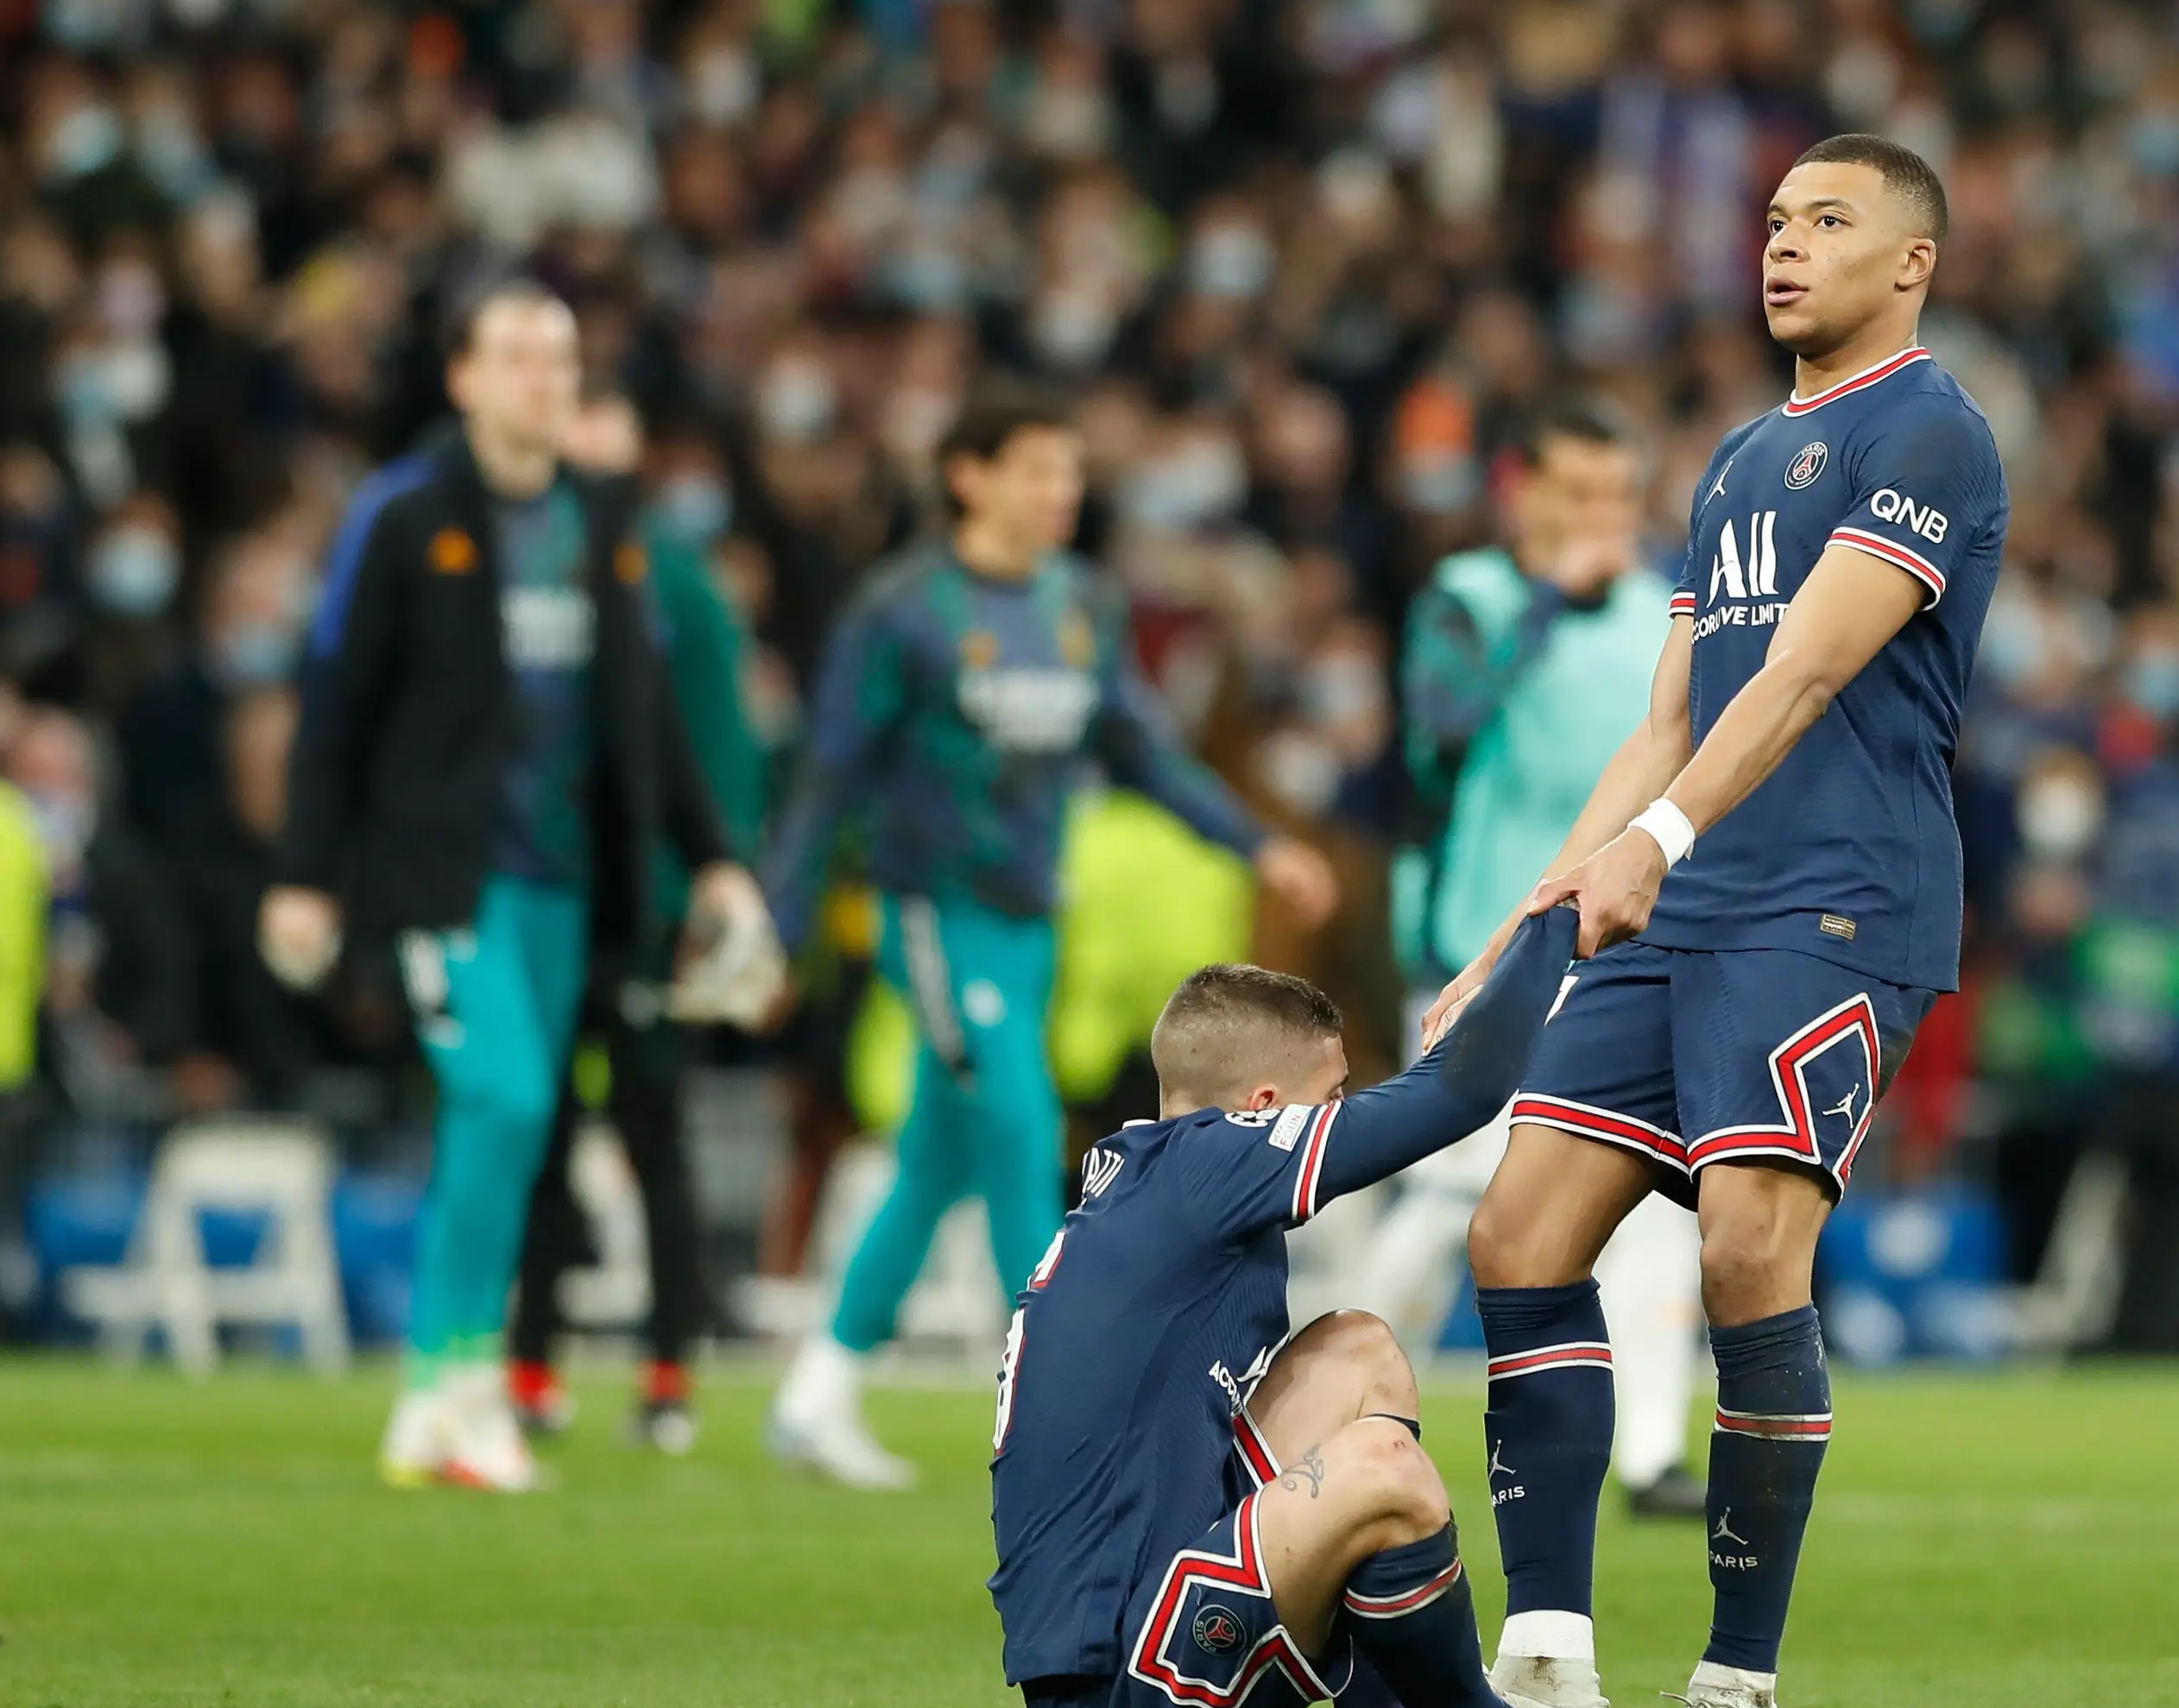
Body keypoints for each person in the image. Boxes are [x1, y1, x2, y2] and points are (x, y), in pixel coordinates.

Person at [1424, 136, 2006, 1708]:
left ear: (1912, 264)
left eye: (1830, 223)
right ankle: (1541, 1660)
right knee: (1518, 1232)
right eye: (1773, 220)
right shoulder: (1744, 457)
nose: (1784, 247)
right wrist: (1538, 913)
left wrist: (1658, 845)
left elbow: (1813, 668)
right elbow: (1669, 714)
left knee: (1751, 1256)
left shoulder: (1932, 436)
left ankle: (1738, 1692)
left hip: (1830, 901)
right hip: (1683, 898)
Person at [759, 399, 1337, 1488]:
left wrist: (1259, 842)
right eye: (1035, 471)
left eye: (1068, 473)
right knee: (1019, 1129)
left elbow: (1144, 752)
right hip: (933, 909)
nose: (1059, 493)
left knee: (937, 1161)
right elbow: (828, 772)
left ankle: (815, 1393)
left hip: (1028, 921)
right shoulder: (902, 609)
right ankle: (1066, 1407)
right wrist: (780, 923)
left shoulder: (1079, 604)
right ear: (966, 476)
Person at [264, 280, 761, 1491]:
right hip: (450, 876)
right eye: (521, 355)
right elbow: (336, 704)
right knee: (503, 1099)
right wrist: (304, 876)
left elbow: (646, 716)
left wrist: (713, 861)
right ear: (464, 378)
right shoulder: (404, 515)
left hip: (567, 887)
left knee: (514, 1116)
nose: (547, 376)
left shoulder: (603, 519)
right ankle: (459, 1379)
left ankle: (433, 1393)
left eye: (563, 357)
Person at [990, 906, 1664, 1708]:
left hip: (1119, 1631)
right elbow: (1458, 1093)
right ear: (1261, 1107)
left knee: (1359, 1349)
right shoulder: (1215, 1163)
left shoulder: (1149, 1176)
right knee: (1383, 1468)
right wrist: (1558, 930)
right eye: (1334, 1092)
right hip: (1132, 1692)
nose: (1346, 1112)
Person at [1355, 399, 1706, 1517]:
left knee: (1652, 1197)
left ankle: (1651, 1454)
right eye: (1577, 495)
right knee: (1449, 1198)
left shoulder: (1667, 613)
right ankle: (1342, 1409)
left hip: (1625, 946)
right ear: (1522, 493)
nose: (1602, 518)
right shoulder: (1471, 602)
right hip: (1486, 941)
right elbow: (1441, 730)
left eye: (1617, 495)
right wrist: (1552, 596)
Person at [506, 394, 769, 1456]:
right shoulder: (538, 561)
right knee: (544, 1135)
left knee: (652, 1140)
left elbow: (718, 746)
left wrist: (703, 889)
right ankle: (532, 1364)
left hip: (644, 909)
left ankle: (668, 1370)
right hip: (557, 892)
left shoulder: (673, 579)